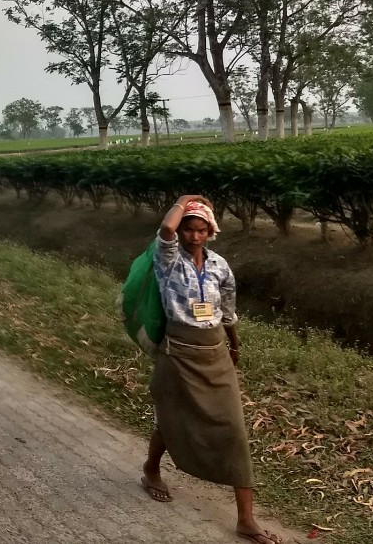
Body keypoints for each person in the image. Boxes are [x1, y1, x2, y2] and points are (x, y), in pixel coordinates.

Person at [142, 195, 282, 544]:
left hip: (214, 352)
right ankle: (151, 469)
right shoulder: (168, 261)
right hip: (178, 352)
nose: (194, 236)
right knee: (172, 418)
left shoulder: (220, 266)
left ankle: (246, 519)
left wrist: (234, 343)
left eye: (201, 230)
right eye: (189, 230)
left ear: (211, 232)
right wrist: (182, 201)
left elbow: (228, 311)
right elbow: (166, 228)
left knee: (233, 428)